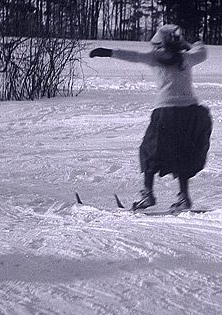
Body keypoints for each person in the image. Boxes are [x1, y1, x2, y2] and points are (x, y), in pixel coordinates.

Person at [90, 24, 212, 212]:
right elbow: (202, 53)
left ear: (160, 45)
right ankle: (184, 197)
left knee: (149, 150)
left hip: (167, 112)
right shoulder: (186, 58)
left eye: (156, 45)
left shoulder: (155, 58)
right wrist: (193, 43)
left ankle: (148, 194)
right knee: (182, 153)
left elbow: (132, 56)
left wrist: (108, 52)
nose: (154, 48)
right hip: (191, 113)